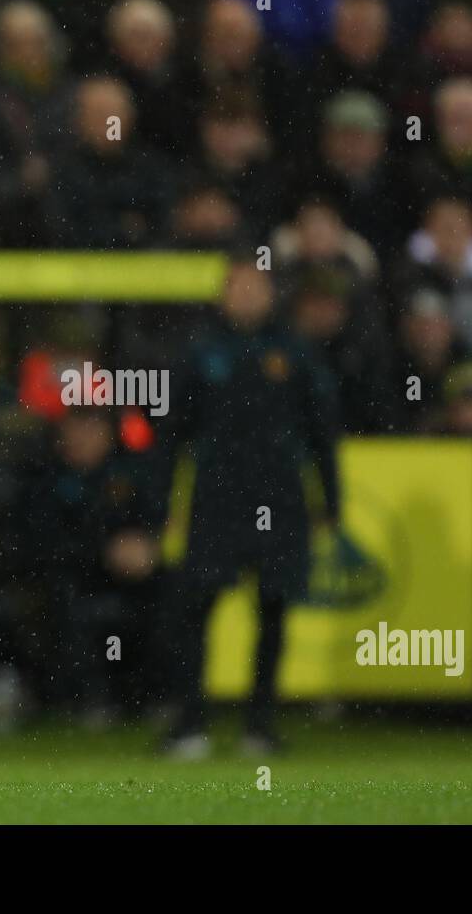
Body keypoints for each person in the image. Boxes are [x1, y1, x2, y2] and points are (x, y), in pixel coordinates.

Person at [159, 257, 339, 756]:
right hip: (217, 498)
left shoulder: (294, 353)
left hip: (280, 497)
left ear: (269, 293)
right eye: (236, 287)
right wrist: (158, 507)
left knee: (275, 608)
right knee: (195, 607)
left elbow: (321, 434)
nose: (245, 296)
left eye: (254, 287)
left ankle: (260, 725)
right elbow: (171, 436)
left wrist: (331, 499)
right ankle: (191, 723)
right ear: (223, 294)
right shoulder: (199, 352)